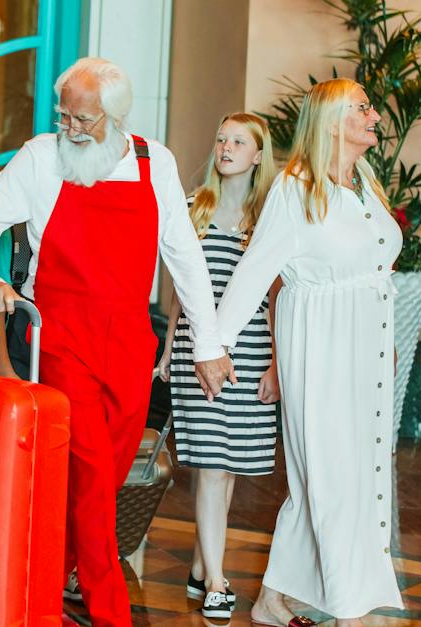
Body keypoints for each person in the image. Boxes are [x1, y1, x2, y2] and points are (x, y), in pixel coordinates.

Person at [0, 57, 236, 627]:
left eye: (82, 119)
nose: (70, 128)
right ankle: (111, 611)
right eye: (65, 116)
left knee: (99, 480)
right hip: (58, 338)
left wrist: (208, 344)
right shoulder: (41, 157)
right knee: (88, 478)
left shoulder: (155, 163)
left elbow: (184, 256)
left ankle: (38, 583)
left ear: (114, 116)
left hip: (130, 341)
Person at [213, 78, 403, 626]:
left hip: (364, 344)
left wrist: (383, 339)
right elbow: (254, 273)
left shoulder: (364, 182)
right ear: (330, 121)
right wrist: (215, 345)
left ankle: (273, 599)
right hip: (319, 340)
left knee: (347, 472)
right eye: (361, 108)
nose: (373, 115)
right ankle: (349, 611)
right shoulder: (295, 188)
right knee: (331, 473)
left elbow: (373, 270)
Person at [152, 112, 281, 621]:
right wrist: (167, 354)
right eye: (221, 138)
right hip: (197, 351)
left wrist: (275, 365)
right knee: (209, 463)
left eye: (239, 141)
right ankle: (219, 582)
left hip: (251, 352)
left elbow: (274, 299)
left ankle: (204, 565)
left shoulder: (269, 219)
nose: (226, 147)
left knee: (228, 468)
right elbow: (181, 295)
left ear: (257, 155)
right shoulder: (191, 209)